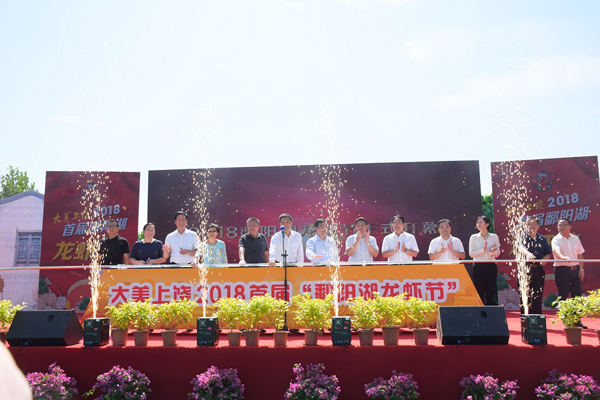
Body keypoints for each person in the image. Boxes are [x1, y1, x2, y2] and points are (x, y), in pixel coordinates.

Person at [518, 216, 551, 315]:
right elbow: (520, 248)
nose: (531, 226)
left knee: (537, 296)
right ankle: (525, 320)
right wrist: (527, 253)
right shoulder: (522, 237)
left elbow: (547, 254)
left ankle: (537, 319)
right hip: (525, 270)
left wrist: (544, 260)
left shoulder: (542, 239)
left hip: (538, 270)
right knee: (525, 296)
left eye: (533, 224)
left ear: (538, 226)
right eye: (528, 224)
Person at [468, 215, 501, 305]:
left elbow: (498, 252)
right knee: (479, 290)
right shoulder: (473, 237)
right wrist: (482, 250)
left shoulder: (494, 237)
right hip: (478, 265)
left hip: (491, 265)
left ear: (487, 224)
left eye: (480, 222)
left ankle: (491, 309)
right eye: (477, 222)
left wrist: (491, 252)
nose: (478, 224)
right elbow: (471, 254)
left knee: (491, 289)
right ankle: (480, 310)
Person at [552, 218, 585, 301]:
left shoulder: (575, 238)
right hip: (562, 270)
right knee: (563, 295)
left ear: (570, 226)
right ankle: (563, 310)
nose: (562, 227)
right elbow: (556, 250)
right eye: (560, 225)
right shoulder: (556, 239)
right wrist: (562, 257)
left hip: (575, 270)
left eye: (565, 225)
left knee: (577, 296)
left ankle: (576, 310)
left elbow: (580, 254)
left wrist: (581, 269)